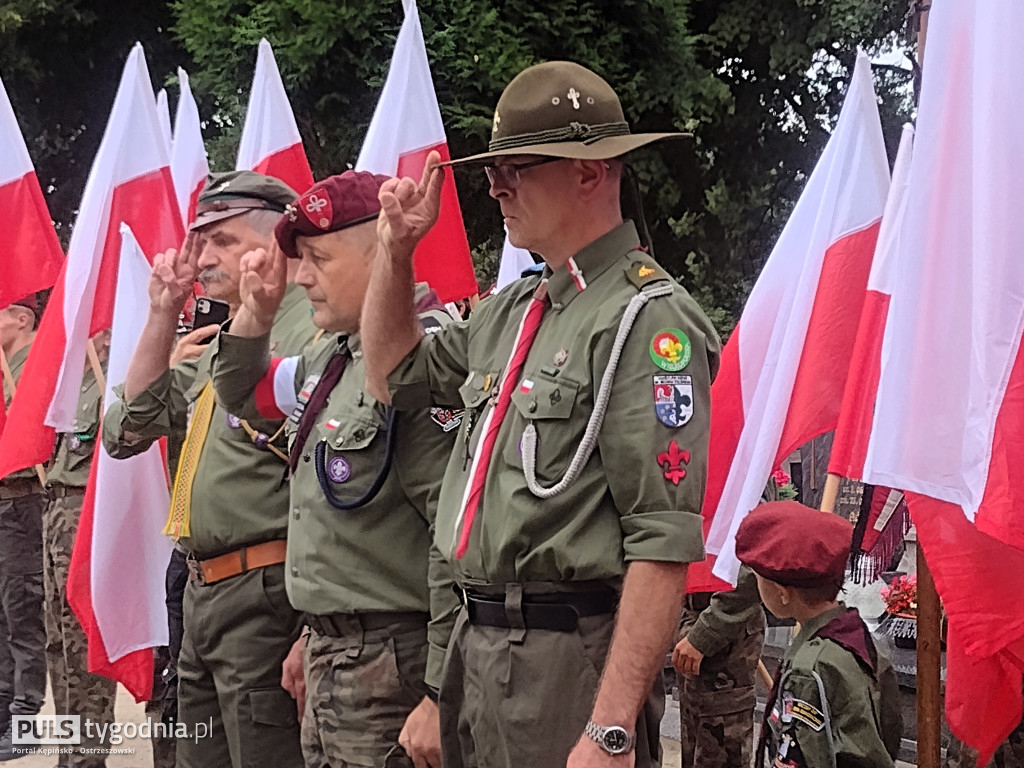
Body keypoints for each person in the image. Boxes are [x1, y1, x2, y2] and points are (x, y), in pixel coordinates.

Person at [360, 60, 721, 767]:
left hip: (566, 658)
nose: (495, 186)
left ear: (590, 173)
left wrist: (611, 728)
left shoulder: (646, 320)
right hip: (479, 642)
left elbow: (661, 545)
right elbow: (394, 373)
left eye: (517, 168)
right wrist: (394, 252)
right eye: (493, 170)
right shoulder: (516, 311)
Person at [210, 171, 459, 768]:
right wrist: (256, 314)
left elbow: (454, 537)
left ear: (382, 251)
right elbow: (242, 394)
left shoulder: (425, 361)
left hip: (395, 665)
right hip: (333, 654)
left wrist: (437, 689)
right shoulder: (333, 356)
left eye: (319, 258)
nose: (302, 277)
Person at [102, 171, 318, 768]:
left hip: (271, 594)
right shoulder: (220, 340)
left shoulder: (310, 330)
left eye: (221, 240)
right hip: (203, 591)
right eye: (199, 242)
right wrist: (161, 314)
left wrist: (313, 624)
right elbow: (127, 426)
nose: (201, 258)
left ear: (276, 238)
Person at [734, 500, 902, 768]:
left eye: (758, 578)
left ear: (782, 593)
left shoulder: (807, 668)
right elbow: (889, 726)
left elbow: (801, 757)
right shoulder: (857, 634)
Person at [41, 330, 118, 768]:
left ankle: (89, 755)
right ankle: (69, 750)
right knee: (56, 638)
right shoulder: (78, 380)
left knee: (82, 636)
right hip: (54, 511)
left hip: (87, 513)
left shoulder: (117, 379)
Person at [0, 293, 48, 759]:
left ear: (21, 317)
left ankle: (25, 717)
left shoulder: (40, 364)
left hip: (24, 501)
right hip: (3, 504)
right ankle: (2, 714)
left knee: (22, 613)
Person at [672, 565, 765, 768]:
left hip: (728, 634)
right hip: (692, 612)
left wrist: (704, 633)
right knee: (694, 741)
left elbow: (754, 571)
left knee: (721, 748)